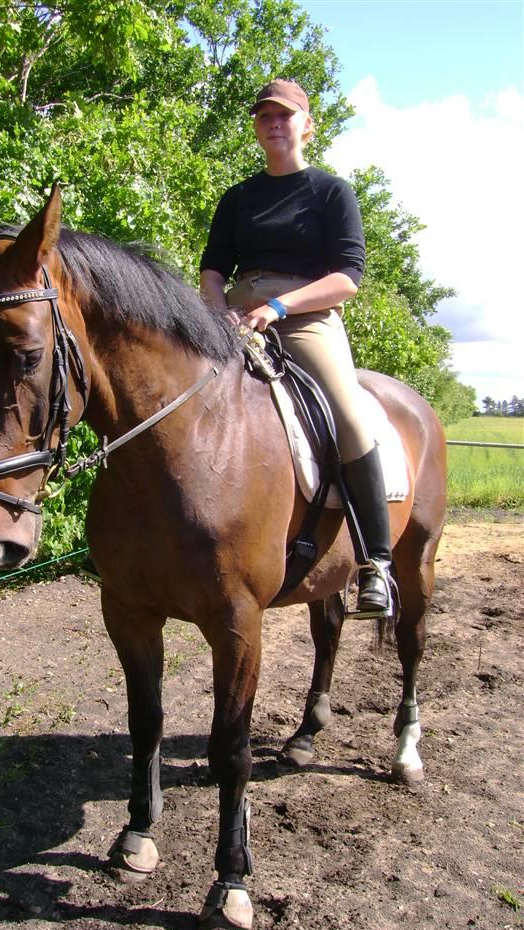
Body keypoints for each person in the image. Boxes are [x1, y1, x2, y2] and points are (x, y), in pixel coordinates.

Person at [200, 78, 393, 618]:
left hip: (305, 317)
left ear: (307, 125)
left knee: (350, 417)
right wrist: (220, 314)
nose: (274, 122)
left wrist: (279, 309)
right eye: (264, 115)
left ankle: (376, 563)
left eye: (285, 114)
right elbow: (213, 269)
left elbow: (348, 277)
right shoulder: (238, 198)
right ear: (257, 128)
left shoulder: (332, 192)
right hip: (236, 314)